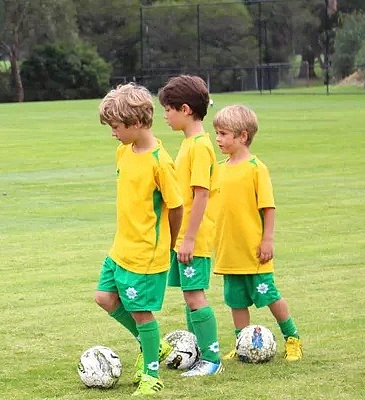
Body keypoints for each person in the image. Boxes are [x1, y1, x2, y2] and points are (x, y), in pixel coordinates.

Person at [94, 83, 183, 396]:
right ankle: (155, 344)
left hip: (146, 254)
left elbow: (176, 206)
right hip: (120, 248)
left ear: (135, 124)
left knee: (142, 313)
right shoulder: (123, 152)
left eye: (116, 127)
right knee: (104, 298)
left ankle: (151, 375)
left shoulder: (161, 162)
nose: (113, 133)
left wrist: (170, 243)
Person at [211, 104, 303, 362]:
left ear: (242, 136)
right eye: (216, 133)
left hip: (254, 251)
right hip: (229, 252)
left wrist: (267, 239)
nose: (218, 139)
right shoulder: (219, 169)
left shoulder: (255, 168)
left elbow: (268, 207)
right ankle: (243, 343)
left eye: (223, 134)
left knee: (269, 295)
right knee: (236, 301)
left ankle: (292, 338)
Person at [157, 75, 222, 376]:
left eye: (168, 109)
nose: (165, 116)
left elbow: (201, 195)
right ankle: (197, 353)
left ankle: (212, 360)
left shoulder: (199, 147)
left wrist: (189, 239)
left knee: (195, 295)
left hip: (192, 237)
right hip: (182, 235)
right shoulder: (189, 143)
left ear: (185, 109)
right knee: (188, 293)